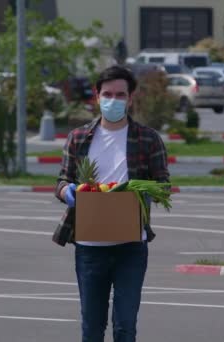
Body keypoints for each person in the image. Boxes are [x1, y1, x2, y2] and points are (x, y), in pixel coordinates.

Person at [53, 65, 170, 342]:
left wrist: (140, 192)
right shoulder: (79, 138)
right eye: (107, 94)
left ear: (131, 98)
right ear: (96, 96)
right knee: (92, 328)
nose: (113, 100)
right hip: (90, 248)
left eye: (120, 95)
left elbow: (164, 184)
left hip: (131, 246)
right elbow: (61, 182)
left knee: (124, 327)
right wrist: (68, 191)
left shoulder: (148, 139)